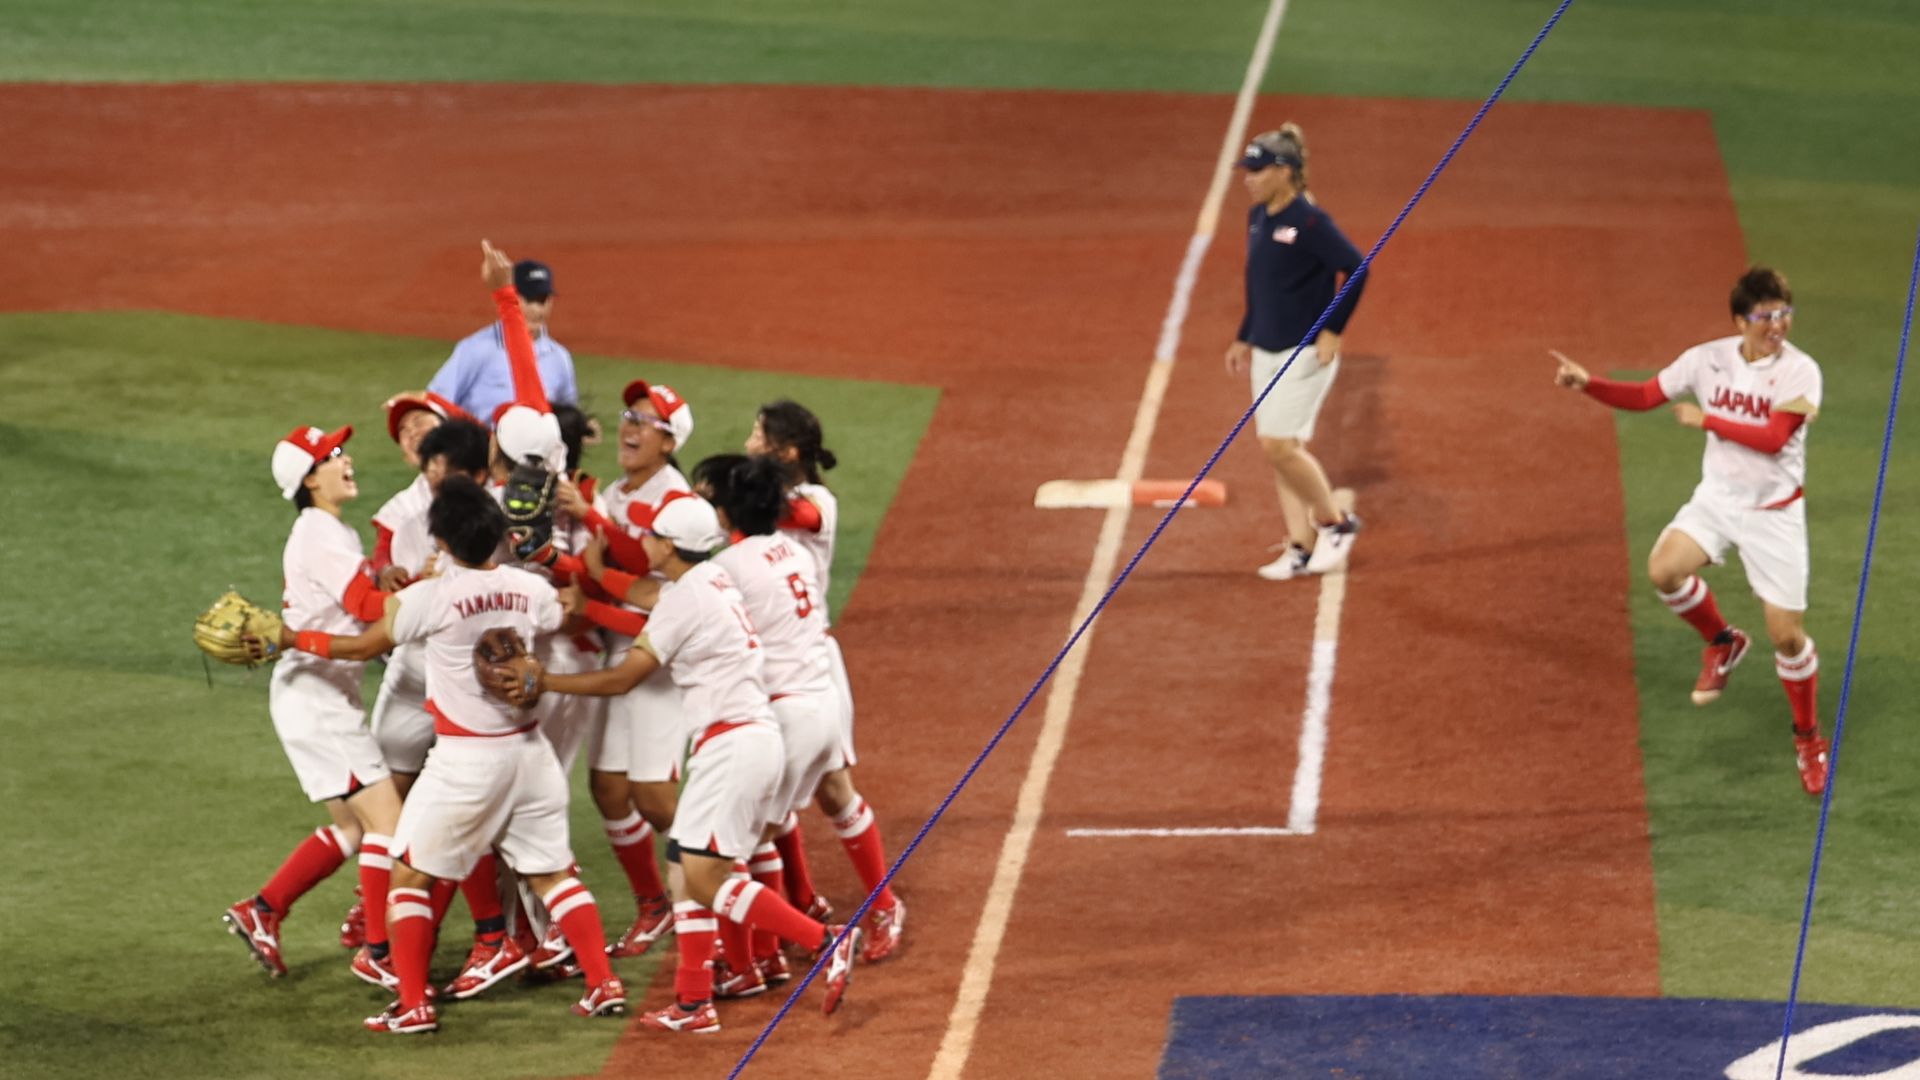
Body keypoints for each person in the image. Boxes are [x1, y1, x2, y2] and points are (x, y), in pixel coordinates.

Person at [492, 496, 864, 1034]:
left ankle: (823, 940)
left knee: (707, 878)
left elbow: (623, 678)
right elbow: (647, 594)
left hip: (733, 745)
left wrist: (544, 681)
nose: (641, 540)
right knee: (682, 866)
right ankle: (694, 1002)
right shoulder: (709, 579)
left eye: (649, 534)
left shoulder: (684, 599)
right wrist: (594, 574)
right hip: (744, 738)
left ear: (667, 545)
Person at [275, 474, 627, 1034]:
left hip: (466, 762)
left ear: (441, 541)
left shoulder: (430, 597)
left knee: (408, 877)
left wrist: (293, 639)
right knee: (552, 875)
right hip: (531, 755)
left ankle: (413, 1004)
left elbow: (365, 644)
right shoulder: (527, 589)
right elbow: (566, 609)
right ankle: (602, 981)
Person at [1551, 265, 1829, 796]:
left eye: (1784, 314)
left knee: (1787, 636)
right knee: (1664, 570)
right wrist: (1588, 385)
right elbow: (1646, 395)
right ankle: (1722, 641)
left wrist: (1709, 421)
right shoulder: (1707, 359)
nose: (1778, 326)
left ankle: (1809, 737)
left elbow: (1773, 438)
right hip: (1718, 501)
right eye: (1766, 316)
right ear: (1739, 319)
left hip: (1774, 512)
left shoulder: (1801, 372)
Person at [222, 424, 404, 987]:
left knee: (354, 827)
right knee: (388, 827)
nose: (347, 461)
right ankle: (379, 950)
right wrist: (429, 587)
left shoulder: (326, 530)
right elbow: (366, 604)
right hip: (318, 699)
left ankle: (265, 908)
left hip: (316, 691)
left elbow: (358, 603)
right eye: (332, 456)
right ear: (308, 478)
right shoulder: (320, 534)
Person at [747, 400, 906, 962]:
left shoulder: (818, 501)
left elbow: (802, 518)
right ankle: (805, 901)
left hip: (808, 665)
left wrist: (735, 494)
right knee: (791, 792)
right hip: (770, 664)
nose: (749, 444)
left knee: (822, 794)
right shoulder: (759, 507)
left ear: (787, 453)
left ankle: (880, 906)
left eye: (758, 437)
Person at [1224, 124, 1367, 581]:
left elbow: (1357, 268)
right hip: (1265, 349)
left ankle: (1335, 524)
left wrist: (1333, 330)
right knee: (1281, 452)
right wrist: (1244, 334)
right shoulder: (1258, 217)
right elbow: (1260, 284)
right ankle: (1301, 548)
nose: (1248, 178)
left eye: (1257, 170)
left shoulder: (1309, 223)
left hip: (1303, 351)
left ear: (1284, 172)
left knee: (1279, 445)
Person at [430, 257, 577, 424]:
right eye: (527, 299)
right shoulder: (476, 349)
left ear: (550, 302)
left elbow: (568, 417)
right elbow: (436, 404)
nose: (536, 309)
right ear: (511, 298)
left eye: (542, 300)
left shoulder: (559, 358)